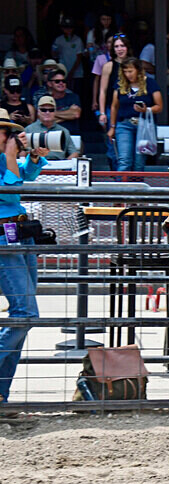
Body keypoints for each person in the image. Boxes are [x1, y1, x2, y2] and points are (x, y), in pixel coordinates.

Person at [0, 109, 48, 405]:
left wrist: (31, 158)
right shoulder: (4, 158)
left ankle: (1, 395)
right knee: (25, 314)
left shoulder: (7, 158)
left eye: (8, 131)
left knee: (23, 317)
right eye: (3, 131)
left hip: (17, 234)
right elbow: (11, 187)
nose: (8, 136)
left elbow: (24, 177)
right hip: (5, 237)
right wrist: (10, 156)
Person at [108, 58, 163, 172]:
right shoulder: (119, 85)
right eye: (125, 71)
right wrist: (112, 126)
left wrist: (146, 109)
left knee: (139, 163)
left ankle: (137, 188)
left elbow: (159, 106)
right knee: (124, 160)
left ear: (138, 70)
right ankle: (121, 188)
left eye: (130, 71)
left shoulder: (150, 83)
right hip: (124, 124)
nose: (128, 74)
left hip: (143, 125)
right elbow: (114, 106)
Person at [98, 34, 133, 131]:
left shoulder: (134, 65)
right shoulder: (108, 66)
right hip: (112, 107)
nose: (119, 49)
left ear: (127, 47)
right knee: (112, 139)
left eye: (122, 46)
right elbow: (102, 91)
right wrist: (102, 113)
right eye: (116, 46)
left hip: (130, 107)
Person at [51, 17, 85, 93]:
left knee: (76, 93)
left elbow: (79, 57)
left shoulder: (78, 40)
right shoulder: (58, 40)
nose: (68, 30)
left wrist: (72, 72)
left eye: (70, 28)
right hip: (63, 72)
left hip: (77, 73)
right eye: (66, 28)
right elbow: (54, 55)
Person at [47, 70, 81, 134]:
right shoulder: (46, 99)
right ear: (49, 84)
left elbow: (76, 114)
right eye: (57, 81)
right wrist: (68, 114)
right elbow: (44, 121)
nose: (61, 83)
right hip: (51, 137)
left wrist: (51, 114)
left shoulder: (73, 97)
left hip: (72, 136)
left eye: (63, 81)